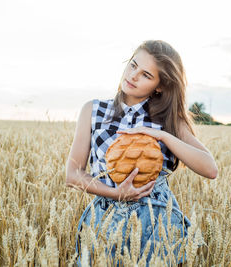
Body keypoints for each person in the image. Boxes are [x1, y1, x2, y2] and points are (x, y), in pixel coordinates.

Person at [65, 40, 218, 266]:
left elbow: (210, 169)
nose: (133, 75)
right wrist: (116, 193)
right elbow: (72, 174)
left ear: (160, 86)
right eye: (133, 65)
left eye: (146, 75)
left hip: (156, 218)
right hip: (106, 216)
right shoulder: (94, 110)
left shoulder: (169, 119)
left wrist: (163, 136)